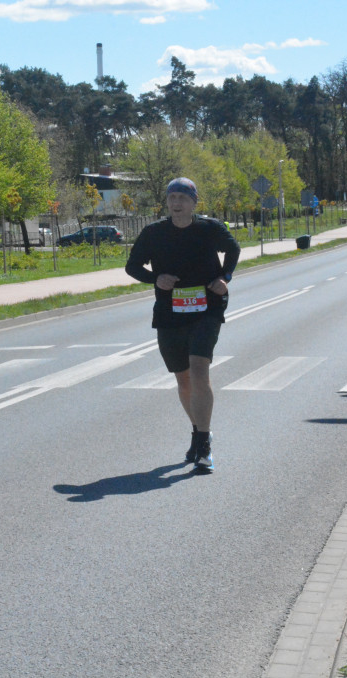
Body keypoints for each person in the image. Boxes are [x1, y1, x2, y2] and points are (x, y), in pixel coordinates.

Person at [125, 178, 241, 472]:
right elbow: (132, 266)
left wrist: (225, 277)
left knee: (199, 369)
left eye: (182, 198)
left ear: (194, 202)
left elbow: (234, 249)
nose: (176, 203)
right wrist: (156, 278)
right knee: (183, 378)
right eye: (172, 197)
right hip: (170, 311)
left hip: (207, 308)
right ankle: (199, 429)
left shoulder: (209, 228)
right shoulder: (154, 233)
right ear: (167, 202)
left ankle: (203, 446)